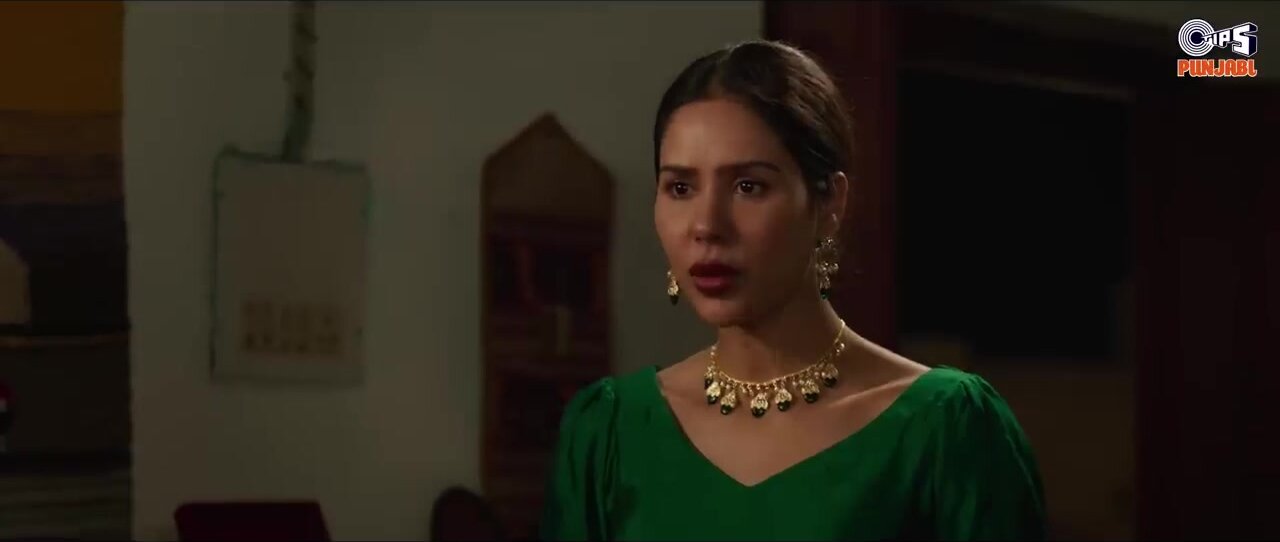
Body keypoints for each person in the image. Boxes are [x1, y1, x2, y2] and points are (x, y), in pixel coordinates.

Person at [539, 40, 1046, 541]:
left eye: (748, 186)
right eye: (681, 188)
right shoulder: (609, 434)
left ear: (829, 204)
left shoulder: (946, 430)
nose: (706, 225)